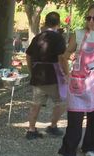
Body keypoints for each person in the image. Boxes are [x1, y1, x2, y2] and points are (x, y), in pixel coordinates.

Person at [58, 2, 94, 156]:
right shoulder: (79, 34)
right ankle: (69, 154)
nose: (91, 21)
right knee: (75, 119)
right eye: (88, 17)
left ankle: (91, 146)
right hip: (79, 82)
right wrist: (67, 74)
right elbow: (65, 55)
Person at [25, 12, 67, 140]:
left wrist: (31, 70)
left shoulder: (37, 37)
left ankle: (31, 129)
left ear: (45, 22)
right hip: (53, 75)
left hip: (38, 74)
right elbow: (61, 58)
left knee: (36, 103)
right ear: (58, 23)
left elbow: (28, 55)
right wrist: (66, 73)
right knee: (61, 102)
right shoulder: (59, 38)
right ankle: (53, 126)